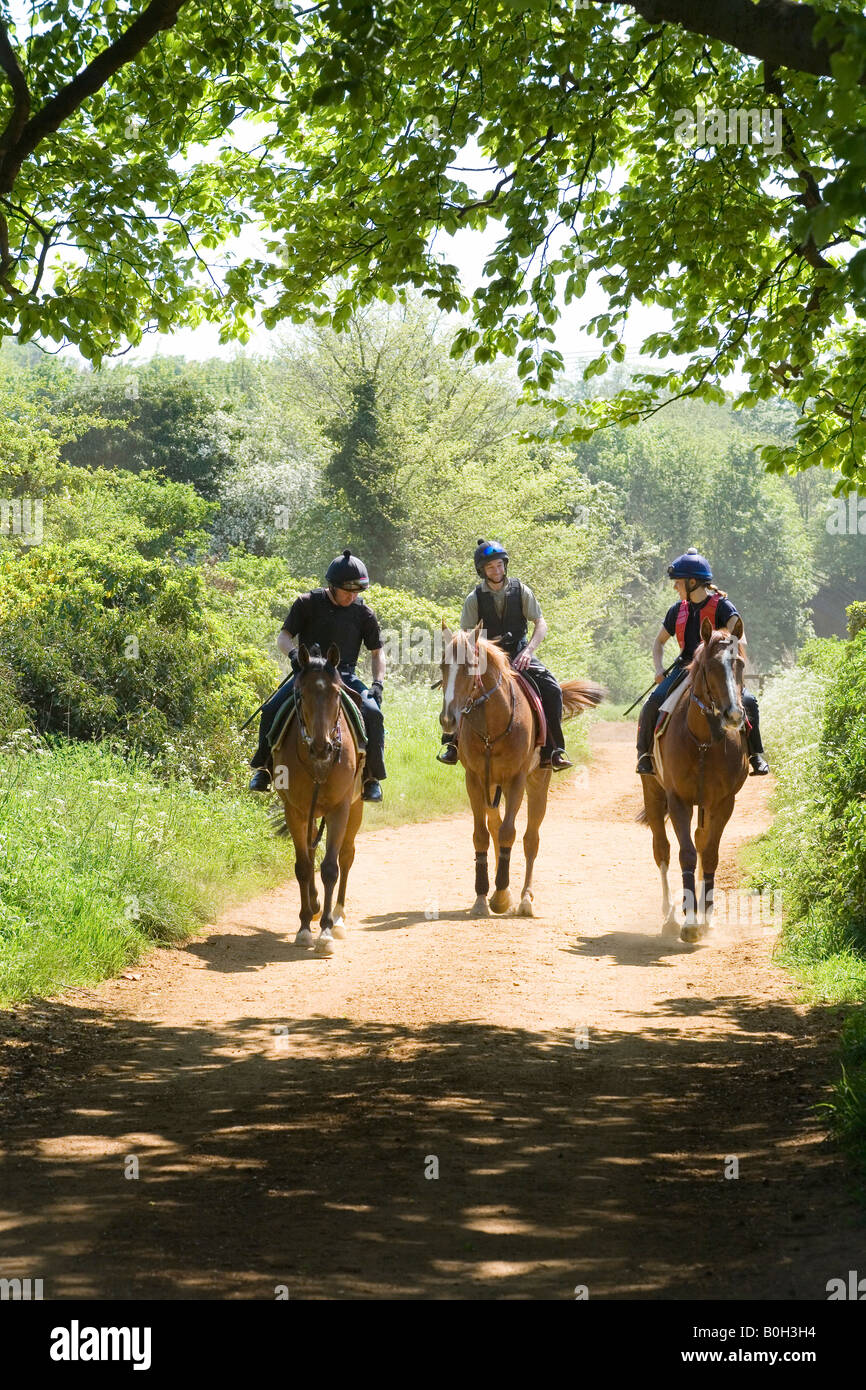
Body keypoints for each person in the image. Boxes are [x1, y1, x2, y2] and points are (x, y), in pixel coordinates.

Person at [248, 549, 386, 802]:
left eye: (357, 592)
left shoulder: (363, 613)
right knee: (271, 710)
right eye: (347, 591)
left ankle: (371, 778)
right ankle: (266, 770)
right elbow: (283, 638)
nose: (352, 596)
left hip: (343, 676)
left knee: (374, 713)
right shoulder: (307, 603)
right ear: (332, 586)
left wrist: (378, 683)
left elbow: (377, 653)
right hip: (307, 675)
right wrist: (292, 656)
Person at [437, 538, 573, 771]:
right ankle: (452, 744)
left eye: (499, 564)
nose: (496, 570)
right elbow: (466, 636)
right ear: (482, 571)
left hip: (520, 653)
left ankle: (554, 749)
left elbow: (540, 624)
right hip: (485, 658)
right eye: (490, 567)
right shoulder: (474, 599)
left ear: (505, 565)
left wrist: (529, 651)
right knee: (457, 686)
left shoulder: (521, 591)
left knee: (551, 688)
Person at [635, 547, 769, 777]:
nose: (675, 587)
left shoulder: (723, 607)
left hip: (717, 667)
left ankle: (756, 755)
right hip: (685, 668)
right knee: (653, 701)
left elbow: (740, 636)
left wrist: (729, 661)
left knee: (749, 700)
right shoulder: (676, 610)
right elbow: (659, 643)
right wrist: (658, 669)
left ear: (692, 582)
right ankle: (645, 756)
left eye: (678, 583)